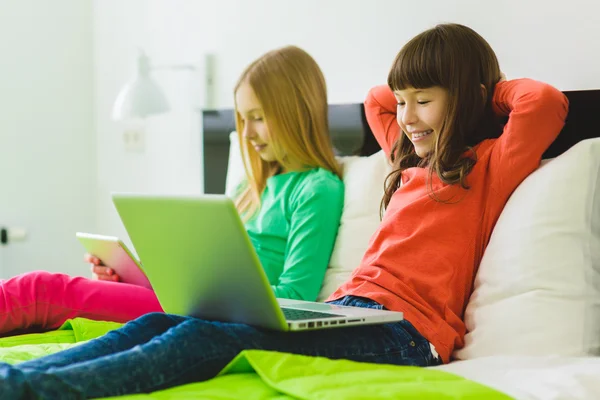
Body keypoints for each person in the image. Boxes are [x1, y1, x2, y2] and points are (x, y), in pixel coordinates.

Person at [0, 23, 568, 399]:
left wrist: (482, 91)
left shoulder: (489, 165)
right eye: (405, 102)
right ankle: (18, 377)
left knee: (211, 340)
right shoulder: (408, 161)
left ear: (465, 97)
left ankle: (35, 392)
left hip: (409, 334)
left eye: (424, 100)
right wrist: (410, 97)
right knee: (163, 321)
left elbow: (543, 103)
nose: (407, 115)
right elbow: (375, 99)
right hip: (352, 309)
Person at [0, 45, 344, 337]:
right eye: (242, 119)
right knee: (48, 291)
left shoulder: (317, 189)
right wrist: (138, 277)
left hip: (214, 313)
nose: (248, 133)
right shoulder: (248, 188)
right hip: (192, 301)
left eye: (257, 117)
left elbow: (298, 296)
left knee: (44, 290)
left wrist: (203, 294)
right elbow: (205, 271)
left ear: (295, 112)